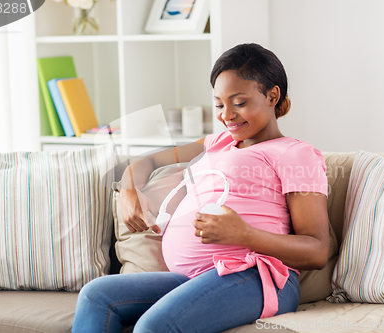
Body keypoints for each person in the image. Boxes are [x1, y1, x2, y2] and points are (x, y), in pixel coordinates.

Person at [72, 43, 330, 333]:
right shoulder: (215, 143)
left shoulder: (296, 153)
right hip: (195, 278)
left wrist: (243, 234)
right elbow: (147, 160)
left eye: (240, 102)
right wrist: (130, 191)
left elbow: (317, 249)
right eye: (219, 104)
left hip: (257, 275)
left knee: (154, 327)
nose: (227, 115)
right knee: (97, 295)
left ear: (272, 95)